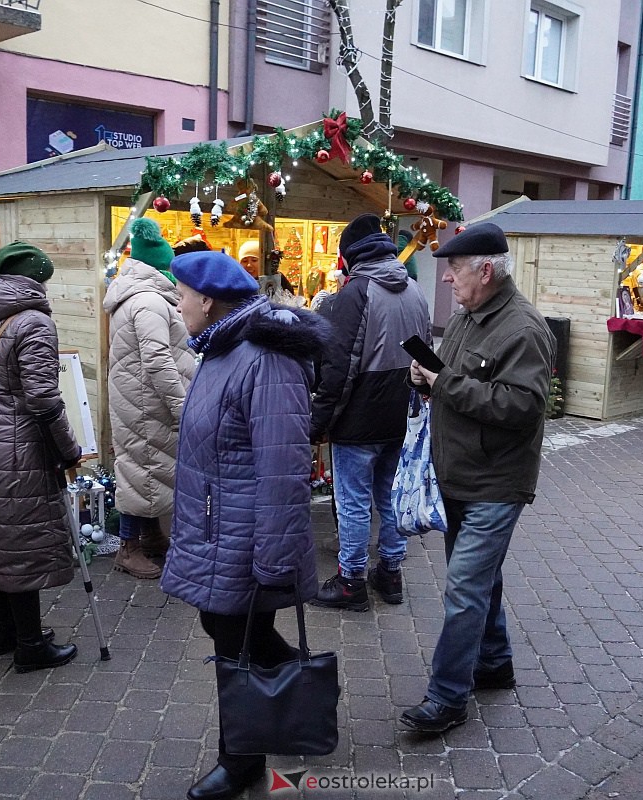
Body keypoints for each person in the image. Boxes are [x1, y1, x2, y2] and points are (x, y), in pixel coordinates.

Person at [160, 250, 329, 800]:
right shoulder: (223, 345)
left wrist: (275, 559)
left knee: (232, 640)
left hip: (245, 532)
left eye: (181, 294)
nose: (176, 303)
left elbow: (283, 467)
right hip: (220, 524)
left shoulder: (265, 357)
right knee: (232, 630)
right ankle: (299, 687)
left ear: (208, 301)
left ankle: (241, 760)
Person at [401, 222, 554, 734]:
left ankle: (447, 697)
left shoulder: (524, 329)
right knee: (479, 581)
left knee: (464, 588)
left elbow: (523, 407)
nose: (447, 279)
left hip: (495, 482)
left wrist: (444, 382)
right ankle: (494, 662)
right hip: (460, 475)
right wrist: (428, 378)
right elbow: (457, 378)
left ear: (485, 271)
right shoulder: (472, 315)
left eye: (455, 269)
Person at [0, 242, 81, 673]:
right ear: (36, 280)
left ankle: (6, 632)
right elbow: (43, 398)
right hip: (20, 447)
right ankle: (30, 645)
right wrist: (69, 449)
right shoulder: (33, 322)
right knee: (23, 544)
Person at [310, 213, 432, 611]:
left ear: (350, 256)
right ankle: (391, 574)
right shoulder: (414, 290)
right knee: (390, 497)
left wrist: (318, 423)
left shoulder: (353, 295)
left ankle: (351, 581)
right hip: (401, 416)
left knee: (353, 503)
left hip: (359, 420)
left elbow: (337, 371)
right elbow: (426, 356)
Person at [105, 218, 196, 580]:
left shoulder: (136, 295)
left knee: (146, 469)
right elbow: (158, 359)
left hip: (142, 399)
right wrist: (181, 405)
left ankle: (151, 534)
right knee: (140, 470)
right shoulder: (148, 302)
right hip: (148, 402)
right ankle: (128, 548)